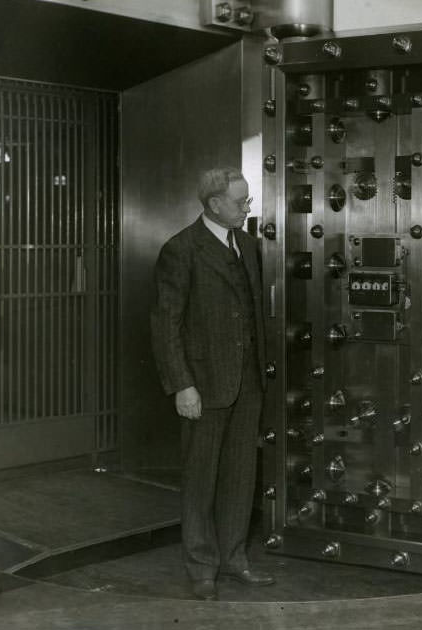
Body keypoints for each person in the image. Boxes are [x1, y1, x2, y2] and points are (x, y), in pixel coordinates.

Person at [150, 167, 274, 600]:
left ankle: (235, 558)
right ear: (215, 203)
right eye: (242, 201)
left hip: (247, 383)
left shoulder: (250, 246)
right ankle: (201, 567)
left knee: (241, 476)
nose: (248, 207)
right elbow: (166, 325)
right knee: (201, 479)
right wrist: (182, 385)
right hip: (203, 385)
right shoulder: (181, 250)